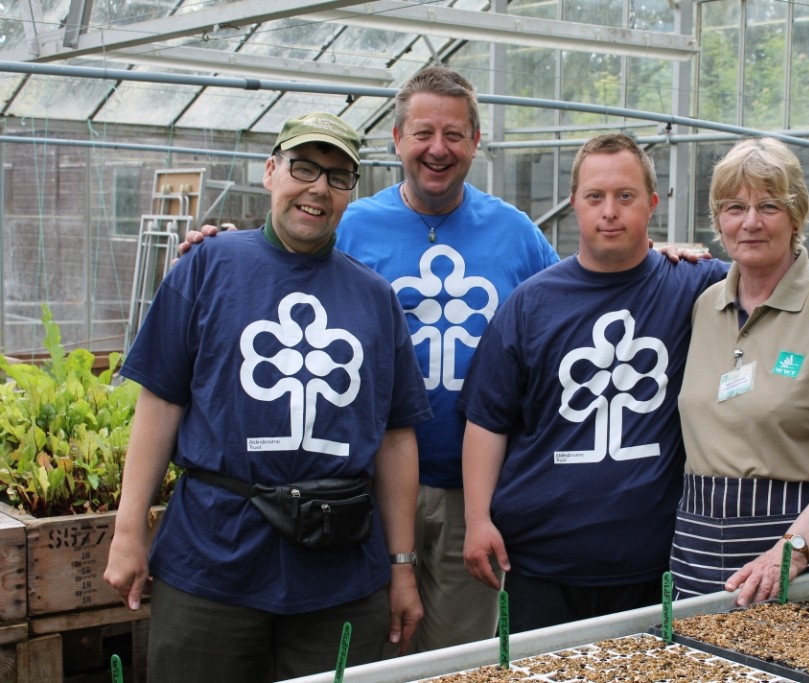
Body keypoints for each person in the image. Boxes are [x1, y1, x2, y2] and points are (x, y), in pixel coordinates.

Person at [176, 66, 561, 653]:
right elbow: (278, 270)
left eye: (455, 134)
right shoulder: (349, 223)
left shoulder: (517, 233)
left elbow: (571, 301)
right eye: (423, 132)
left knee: (461, 656)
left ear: (477, 142)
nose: (438, 148)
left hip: (473, 495)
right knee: (379, 650)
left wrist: (653, 257)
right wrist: (223, 241)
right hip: (368, 495)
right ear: (396, 139)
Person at [459, 133, 809, 634]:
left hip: (720, 552)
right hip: (632, 556)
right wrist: (477, 518)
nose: (750, 221)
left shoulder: (734, 292)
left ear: (652, 205)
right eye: (595, 197)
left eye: (769, 206)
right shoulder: (692, 299)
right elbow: (489, 417)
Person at [104, 112, 431, 683]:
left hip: (339, 572)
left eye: (337, 176)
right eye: (304, 167)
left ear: (350, 193)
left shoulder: (374, 299)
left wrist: (402, 567)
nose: (318, 188)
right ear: (270, 171)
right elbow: (161, 403)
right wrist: (128, 530)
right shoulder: (206, 267)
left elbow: (396, 436)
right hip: (213, 557)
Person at [670, 137, 809, 606]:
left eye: (768, 205)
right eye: (734, 207)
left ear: (796, 216)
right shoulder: (706, 305)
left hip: (808, 540)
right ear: (718, 221)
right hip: (701, 542)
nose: (750, 222)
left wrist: (792, 550)